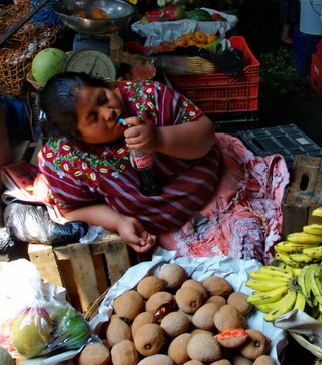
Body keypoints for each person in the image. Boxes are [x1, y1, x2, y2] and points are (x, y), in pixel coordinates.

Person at [37, 73, 222, 254]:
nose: (108, 113)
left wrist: (160, 138)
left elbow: (205, 133)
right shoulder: (63, 158)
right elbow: (73, 209)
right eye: (93, 117)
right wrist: (118, 221)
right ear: (76, 135)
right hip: (153, 230)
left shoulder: (148, 96)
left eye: (103, 98)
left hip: (210, 191)